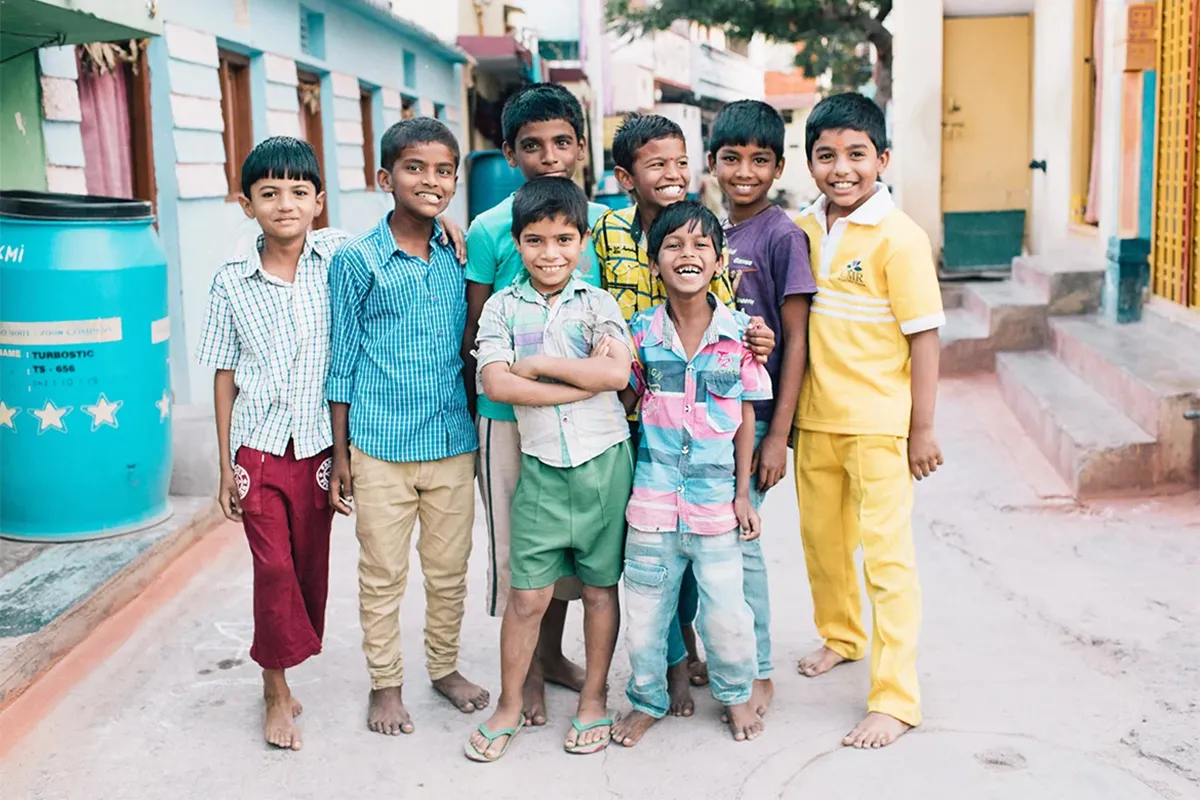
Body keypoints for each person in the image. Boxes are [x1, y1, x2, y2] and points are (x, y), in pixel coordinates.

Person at [592, 113, 777, 715]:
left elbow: (748, 414)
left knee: (725, 611)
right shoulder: (638, 335)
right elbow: (627, 399)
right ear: (653, 265)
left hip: (716, 505)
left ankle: (736, 694)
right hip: (649, 500)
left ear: (721, 263)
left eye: (701, 245)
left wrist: (743, 493)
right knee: (645, 613)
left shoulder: (737, 339)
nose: (687, 254)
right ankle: (646, 702)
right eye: (673, 246)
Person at [793, 92, 945, 749]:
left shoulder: (902, 238)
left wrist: (923, 429)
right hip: (815, 421)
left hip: (882, 426)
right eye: (826, 155)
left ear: (882, 159)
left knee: (887, 561)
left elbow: (925, 339)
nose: (842, 168)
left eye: (857, 154)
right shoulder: (801, 228)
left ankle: (895, 697)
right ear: (810, 164)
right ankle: (842, 636)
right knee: (823, 546)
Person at [327, 117, 488, 737]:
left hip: (451, 440)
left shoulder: (460, 252)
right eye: (415, 168)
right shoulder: (358, 260)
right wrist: (341, 453)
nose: (430, 180)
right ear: (384, 177)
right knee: (382, 574)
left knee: (449, 571)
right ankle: (386, 684)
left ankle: (443, 668)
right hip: (379, 446)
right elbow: (341, 359)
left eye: (443, 171)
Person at [464, 178, 634, 762]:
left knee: (598, 588)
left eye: (564, 239)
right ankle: (509, 703)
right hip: (540, 468)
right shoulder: (501, 309)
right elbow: (495, 382)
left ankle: (594, 696)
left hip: (603, 464)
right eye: (535, 240)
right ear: (518, 242)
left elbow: (616, 376)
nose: (550, 253)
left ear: (582, 241)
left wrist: (536, 366)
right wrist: (575, 382)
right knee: (527, 595)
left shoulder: (599, 304)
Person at [460, 83, 610, 728]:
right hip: (507, 424)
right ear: (508, 153)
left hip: (591, 420)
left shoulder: (604, 224)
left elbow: (616, 322)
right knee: (526, 555)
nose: (548, 156)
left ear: (580, 146)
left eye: (561, 142)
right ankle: (527, 675)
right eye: (532, 146)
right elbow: (476, 335)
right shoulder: (492, 228)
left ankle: (552, 658)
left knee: (582, 554)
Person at [197, 136, 345, 752]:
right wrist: (224, 461)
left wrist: (444, 224)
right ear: (246, 203)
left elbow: (402, 233)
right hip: (257, 449)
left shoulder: (341, 259)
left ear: (317, 201)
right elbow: (224, 375)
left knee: (311, 572)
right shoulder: (231, 280)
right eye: (269, 193)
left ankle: (285, 659)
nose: (285, 204)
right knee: (274, 568)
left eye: (298, 192)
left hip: (317, 448)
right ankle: (274, 688)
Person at [707, 99, 817, 717]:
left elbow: (796, 339)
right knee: (703, 543)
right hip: (705, 422)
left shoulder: (782, 235)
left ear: (777, 166)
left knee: (740, 548)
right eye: (732, 158)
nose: (744, 170)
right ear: (714, 162)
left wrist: (780, 435)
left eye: (759, 159)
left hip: (756, 428)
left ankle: (760, 671)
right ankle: (721, 658)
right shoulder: (711, 230)